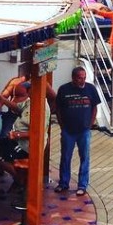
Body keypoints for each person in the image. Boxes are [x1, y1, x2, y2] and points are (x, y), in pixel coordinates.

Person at [48, 66, 101, 197]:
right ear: (73, 78)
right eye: (79, 78)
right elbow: (58, 108)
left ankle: (82, 185)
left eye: (84, 78)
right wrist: (62, 125)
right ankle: (64, 182)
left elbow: (94, 107)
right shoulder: (64, 89)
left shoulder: (91, 89)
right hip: (68, 131)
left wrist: (90, 124)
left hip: (84, 131)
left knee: (85, 157)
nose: (82, 81)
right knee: (65, 157)